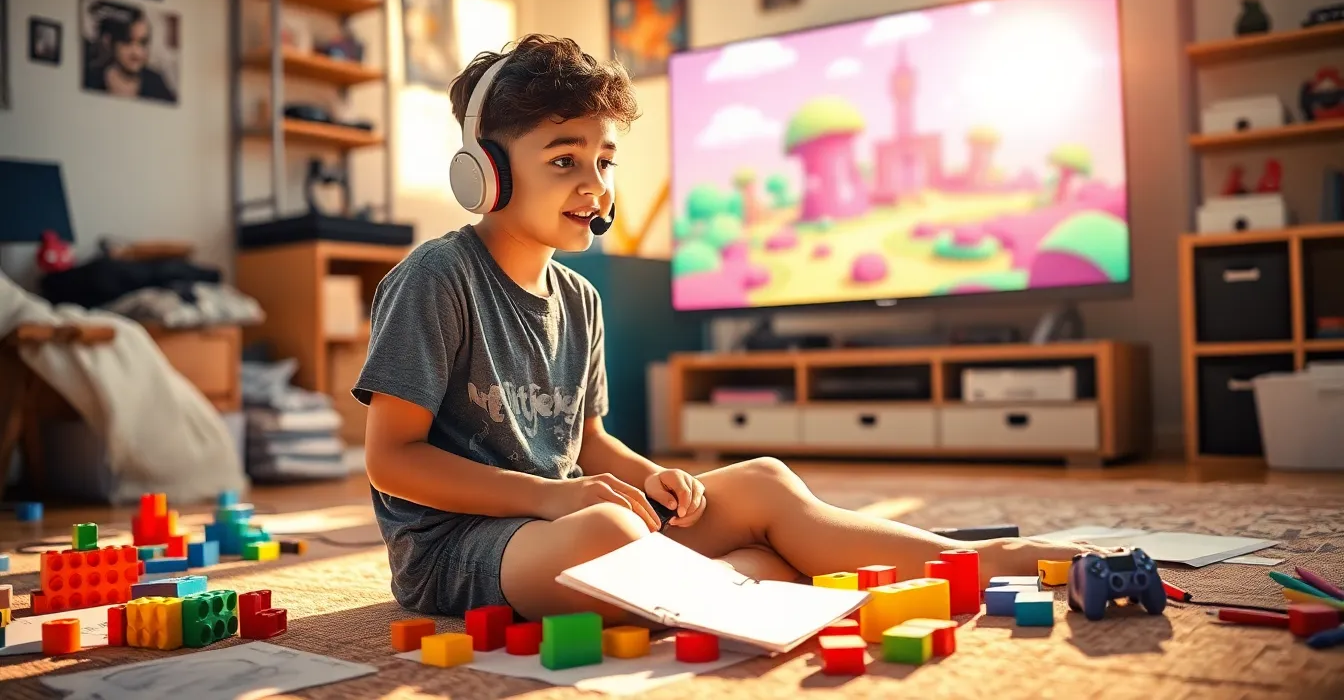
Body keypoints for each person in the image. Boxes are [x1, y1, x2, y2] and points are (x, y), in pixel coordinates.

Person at [354, 34, 1103, 624]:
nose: (594, 185)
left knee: (763, 481)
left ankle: (983, 559)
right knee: (611, 535)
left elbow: (583, 443)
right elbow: (394, 461)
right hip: (460, 550)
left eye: (604, 160)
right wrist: (553, 499)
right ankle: (754, 578)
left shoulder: (579, 298)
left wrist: (651, 477)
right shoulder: (436, 279)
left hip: (564, 522)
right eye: (563, 159)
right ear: (485, 172)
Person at [83, 3, 175, 103]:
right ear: (109, 42)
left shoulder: (156, 83)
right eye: (127, 42)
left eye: (143, 43)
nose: (137, 52)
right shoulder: (91, 79)